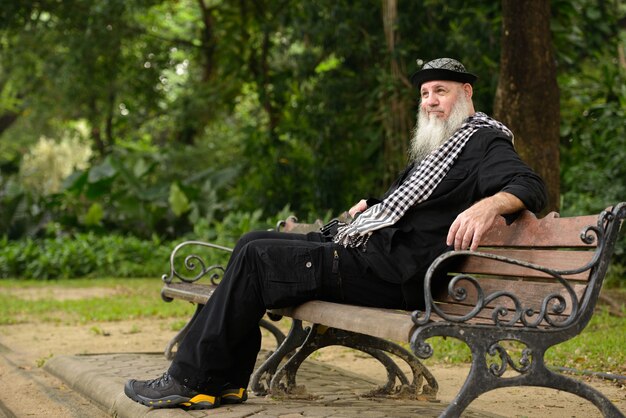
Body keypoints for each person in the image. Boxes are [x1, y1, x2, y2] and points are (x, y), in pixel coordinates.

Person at [124, 57, 547, 410]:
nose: (431, 101)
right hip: (370, 254)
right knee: (252, 240)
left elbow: (528, 185)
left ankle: (193, 379)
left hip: (393, 275)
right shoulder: (442, 147)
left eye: (441, 90)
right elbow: (415, 208)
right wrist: (370, 205)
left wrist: (488, 205)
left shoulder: (485, 141)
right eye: (424, 94)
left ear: (467, 93)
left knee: (258, 258)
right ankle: (226, 380)